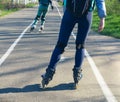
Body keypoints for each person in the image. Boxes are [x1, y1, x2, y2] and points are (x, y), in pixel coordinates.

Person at [41, 0, 107, 88]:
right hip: (87, 14)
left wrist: (66, 12)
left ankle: (48, 74)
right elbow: (100, 0)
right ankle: (77, 75)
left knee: (61, 44)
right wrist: (102, 18)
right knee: (80, 45)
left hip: (69, 13)